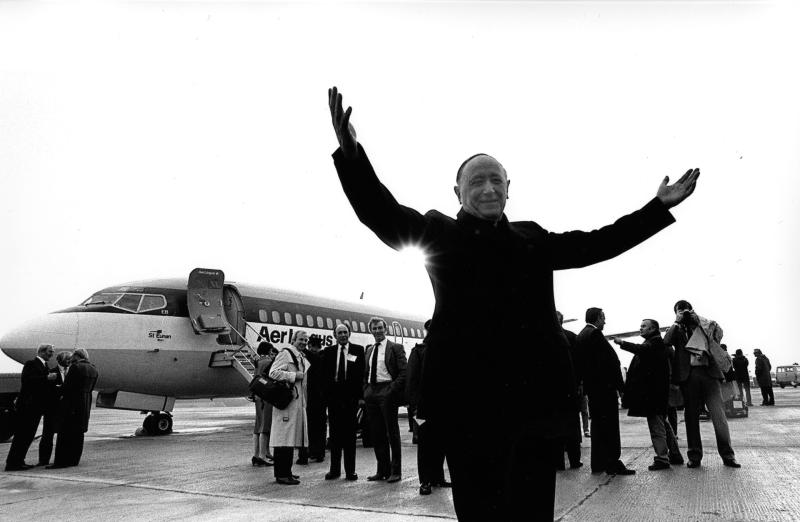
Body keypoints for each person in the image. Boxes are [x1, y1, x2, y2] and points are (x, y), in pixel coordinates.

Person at [327, 86, 699, 520]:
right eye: (476, 182)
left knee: (533, 512)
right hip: (468, 409)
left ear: (509, 189)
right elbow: (382, 213)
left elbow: (597, 243)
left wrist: (656, 208)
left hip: (535, 407)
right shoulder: (439, 234)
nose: (487, 189)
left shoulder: (532, 239)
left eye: (495, 181)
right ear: (457, 191)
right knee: (480, 511)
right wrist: (352, 155)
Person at [664, 300, 740, 468]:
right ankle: (694, 455)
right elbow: (666, 343)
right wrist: (676, 322)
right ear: (676, 313)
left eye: (687, 310)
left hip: (709, 374)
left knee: (719, 416)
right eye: (680, 310)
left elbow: (719, 334)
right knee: (691, 418)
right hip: (689, 376)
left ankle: (728, 455)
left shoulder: (704, 325)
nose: (684, 312)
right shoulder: (677, 329)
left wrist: (698, 319)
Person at [613, 319, 684, 470]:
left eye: (644, 326)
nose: (641, 328)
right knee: (663, 424)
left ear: (653, 329)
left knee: (657, 427)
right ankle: (675, 455)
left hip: (653, 395)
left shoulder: (655, 343)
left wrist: (622, 343)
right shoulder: (656, 343)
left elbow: (641, 350)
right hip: (657, 394)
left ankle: (662, 458)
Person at [577, 308, 634, 476]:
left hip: (593, 391)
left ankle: (598, 463)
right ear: (597, 318)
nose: (605, 322)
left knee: (598, 427)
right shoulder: (595, 335)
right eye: (603, 318)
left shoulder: (581, 335)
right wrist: (621, 389)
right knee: (610, 427)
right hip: (604, 390)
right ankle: (613, 463)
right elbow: (610, 363)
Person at [407, 320, 451, 494]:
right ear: (425, 331)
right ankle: (425, 481)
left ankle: (438, 478)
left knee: (441, 443)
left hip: (443, 406)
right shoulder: (418, 351)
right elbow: (411, 380)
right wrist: (414, 407)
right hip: (423, 407)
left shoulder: (446, 351)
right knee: (424, 443)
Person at [363, 317, 407, 483]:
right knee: (377, 433)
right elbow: (365, 372)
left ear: (385, 329)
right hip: (371, 392)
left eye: (380, 328)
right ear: (371, 330)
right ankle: (382, 470)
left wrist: (391, 389)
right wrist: (366, 390)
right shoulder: (369, 350)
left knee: (392, 433)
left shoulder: (395, 348)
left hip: (387, 391)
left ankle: (396, 471)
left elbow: (404, 372)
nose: (377, 331)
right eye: (374, 328)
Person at [5, 343, 57, 471]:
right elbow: (28, 381)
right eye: (50, 351)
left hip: (35, 408)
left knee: (27, 436)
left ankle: (19, 460)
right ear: (42, 352)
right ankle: (12, 463)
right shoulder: (31, 364)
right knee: (22, 436)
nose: (52, 354)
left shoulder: (44, 365)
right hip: (28, 407)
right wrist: (47, 378)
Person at [323, 324, 365, 481]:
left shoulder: (358, 350)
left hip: (351, 399)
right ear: (334, 335)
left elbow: (361, 375)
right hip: (334, 400)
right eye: (339, 332)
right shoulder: (328, 352)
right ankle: (334, 470)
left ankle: (350, 471)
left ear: (349, 334)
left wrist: (361, 397)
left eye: (345, 332)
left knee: (350, 437)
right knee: (334, 436)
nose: (343, 335)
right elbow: (324, 376)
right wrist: (326, 397)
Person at [268, 331, 310, 485]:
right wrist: (293, 376)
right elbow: (273, 373)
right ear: (293, 340)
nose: (304, 342)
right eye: (301, 339)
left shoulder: (300, 356)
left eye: (306, 340)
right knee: (283, 439)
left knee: (290, 439)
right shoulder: (285, 354)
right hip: (286, 403)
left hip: (296, 403)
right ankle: (281, 474)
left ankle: (287, 471)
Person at [49, 348, 99, 468]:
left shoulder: (76, 367)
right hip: (85, 403)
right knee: (78, 434)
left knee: (64, 434)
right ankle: (74, 460)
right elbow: (91, 388)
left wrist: (55, 388)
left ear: (77, 356)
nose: (71, 358)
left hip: (71, 404)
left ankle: (60, 462)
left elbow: (67, 388)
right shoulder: (93, 369)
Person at [555, 311, 583, 470]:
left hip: (553, 392)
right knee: (572, 427)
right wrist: (579, 384)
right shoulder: (571, 337)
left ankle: (558, 463)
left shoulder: (544, 337)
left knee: (556, 429)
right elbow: (579, 363)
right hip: (570, 389)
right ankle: (574, 460)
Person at [38, 350, 71, 466]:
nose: (69, 361)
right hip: (52, 410)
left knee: (64, 436)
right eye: (67, 359)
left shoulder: (72, 372)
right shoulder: (51, 373)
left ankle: (62, 459)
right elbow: (47, 392)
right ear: (60, 360)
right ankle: (43, 460)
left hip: (65, 410)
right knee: (48, 436)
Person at [297, 335, 326, 465]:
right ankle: (318, 452)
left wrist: (300, 347)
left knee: (309, 426)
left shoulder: (313, 357)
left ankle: (311, 453)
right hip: (318, 397)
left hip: (312, 397)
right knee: (318, 427)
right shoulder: (322, 356)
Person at [252, 342, 276, 467]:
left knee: (257, 426)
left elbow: (255, 377)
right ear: (269, 350)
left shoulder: (257, 362)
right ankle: (263, 456)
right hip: (266, 396)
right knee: (266, 426)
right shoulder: (269, 362)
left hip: (257, 395)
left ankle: (256, 455)